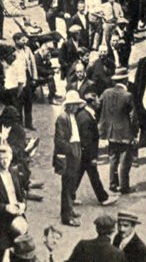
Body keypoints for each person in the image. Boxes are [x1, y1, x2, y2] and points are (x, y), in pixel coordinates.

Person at [98, 67, 139, 194]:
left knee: (113, 159)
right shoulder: (128, 95)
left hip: (110, 133)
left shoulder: (106, 93)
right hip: (124, 133)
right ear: (125, 80)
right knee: (125, 161)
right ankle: (124, 187)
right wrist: (135, 132)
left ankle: (112, 184)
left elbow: (98, 107)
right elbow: (133, 117)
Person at [0, 145, 28, 260]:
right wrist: (5, 207)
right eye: (2, 158)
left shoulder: (14, 173)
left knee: (20, 249)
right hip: (2, 221)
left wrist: (23, 204)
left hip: (18, 217)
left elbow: (21, 194)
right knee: (0, 251)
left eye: (7, 158)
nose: (4, 161)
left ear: (11, 157)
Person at [75, 92, 119, 206]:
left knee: (79, 174)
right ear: (92, 103)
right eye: (97, 101)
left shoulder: (83, 114)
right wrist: (92, 157)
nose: (99, 103)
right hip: (87, 154)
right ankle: (103, 198)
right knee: (93, 175)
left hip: (82, 153)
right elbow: (87, 140)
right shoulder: (87, 118)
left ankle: (70, 196)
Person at [54, 91, 86, 226]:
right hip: (69, 155)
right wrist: (72, 150)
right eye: (74, 104)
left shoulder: (72, 116)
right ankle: (66, 217)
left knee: (72, 184)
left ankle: (70, 209)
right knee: (67, 186)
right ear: (69, 105)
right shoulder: (62, 118)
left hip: (76, 150)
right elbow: (59, 140)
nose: (76, 107)